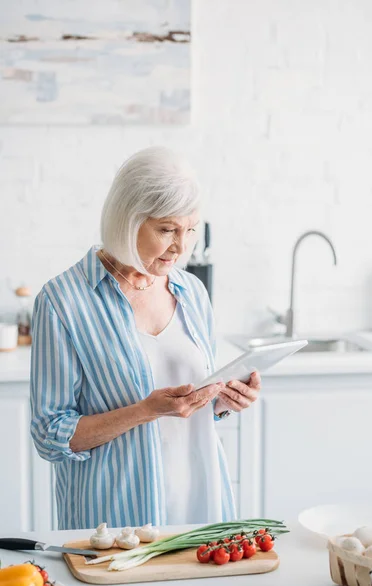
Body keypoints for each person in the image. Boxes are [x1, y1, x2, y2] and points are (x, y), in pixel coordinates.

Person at [30, 147, 261, 530]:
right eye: (167, 229)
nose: (181, 246)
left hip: (199, 505)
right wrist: (146, 410)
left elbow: (190, 406)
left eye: (190, 229)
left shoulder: (191, 291)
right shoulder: (62, 301)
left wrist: (222, 400)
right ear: (127, 219)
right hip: (113, 520)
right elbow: (50, 435)